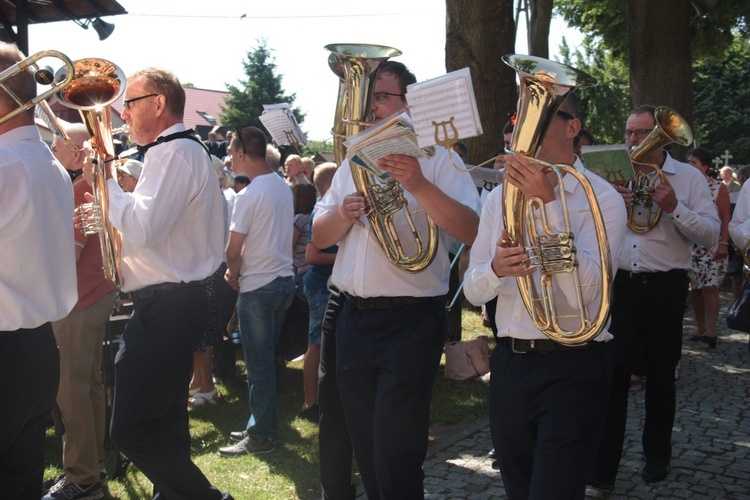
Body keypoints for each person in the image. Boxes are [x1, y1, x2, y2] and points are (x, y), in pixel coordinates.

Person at [312, 60, 480, 498]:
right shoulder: (352, 158)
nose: (372, 108)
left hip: (409, 320)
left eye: (383, 96)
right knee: (365, 447)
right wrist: (343, 214)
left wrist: (419, 185)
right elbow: (318, 236)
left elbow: (471, 231)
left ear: (411, 103)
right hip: (353, 317)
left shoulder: (441, 156)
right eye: (370, 98)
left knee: (397, 450)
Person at [464, 92, 627, 499]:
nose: (523, 128)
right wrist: (497, 269)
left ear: (573, 129)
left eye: (542, 117)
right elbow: (471, 290)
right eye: (519, 117)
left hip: (574, 366)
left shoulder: (603, 198)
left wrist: (549, 205)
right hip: (512, 364)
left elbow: (587, 301)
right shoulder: (500, 197)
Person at [91, 67, 232, 499]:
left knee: (130, 429)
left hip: (170, 304)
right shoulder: (171, 152)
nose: (123, 113)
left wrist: (106, 179)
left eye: (129, 103)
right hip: (172, 302)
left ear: (157, 104)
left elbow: (144, 228)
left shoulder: (174, 152)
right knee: (165, 420)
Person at [590, 105, 720, 489]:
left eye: (642, 133)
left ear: (660, 138)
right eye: (630, 133)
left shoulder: (689, 178)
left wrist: (674, 208)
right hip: (622, 285)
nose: (633, 141)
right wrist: (609, 204)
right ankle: (604, 466)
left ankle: (657, 456)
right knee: (613, 376)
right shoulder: (610, 175)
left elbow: (711, 235)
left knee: (661, 376)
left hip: (665, 286)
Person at [0, 41, 77, 500]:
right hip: (36, 350)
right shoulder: (50, 163)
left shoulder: (7, 164)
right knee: (19, 482)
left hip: (7, 352)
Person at [44, 123, 118, 500]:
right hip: (94, 294)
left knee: (71, 390)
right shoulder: (94, 186)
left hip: (78, 298)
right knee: (86, 387)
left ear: (74, 152)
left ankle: (82, 477)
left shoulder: (77, 190)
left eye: (57, 146)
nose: (52, 153)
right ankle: (92, 467)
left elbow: (68, 254)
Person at [219, 126, 295, 456]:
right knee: (263, 363)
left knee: (259, 366)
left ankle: (263, 433)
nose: (228, 160)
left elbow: (233, 250)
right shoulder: (281, 186)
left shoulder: (249, 195)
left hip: (260, 287)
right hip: (282, 282)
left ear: (240, 154)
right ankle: (259, 424)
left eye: (230, 153)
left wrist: (232, 274)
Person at [189, 156, 239, 406]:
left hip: (210, 270)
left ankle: (206, 387)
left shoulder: (212, 199)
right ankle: (199, 381)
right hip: (214, 269)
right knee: (203, 335)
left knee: (203, 336)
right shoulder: (219, 197)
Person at [299, 163, 338, 423]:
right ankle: (310, 403)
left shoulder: (328, 207)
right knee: (315, 345)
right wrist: (345, 256)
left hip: (324, 283)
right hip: (320, 285)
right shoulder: (323, 209)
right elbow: (312, 255)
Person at [686, 147, 730, 349]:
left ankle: (711, 329)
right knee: (695, 288)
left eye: (694, 163)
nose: (690, 166)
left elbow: (725, 217)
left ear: (705, 167)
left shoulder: (718, 187)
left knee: (710, 287)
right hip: (691, 245)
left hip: (712, 246)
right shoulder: (687, 186)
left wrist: (723, 243)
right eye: (689, 162)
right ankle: (699, 326)